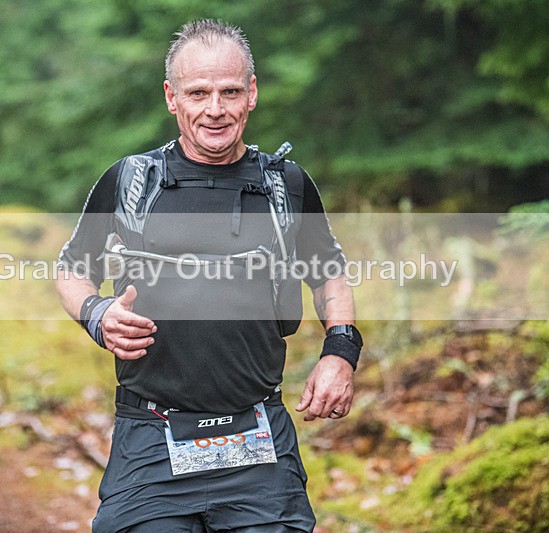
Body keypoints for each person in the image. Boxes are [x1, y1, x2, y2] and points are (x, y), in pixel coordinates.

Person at [56, 19, 362, 533]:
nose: (215, 109)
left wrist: (341, 351)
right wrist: (97, 312)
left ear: (253, 94)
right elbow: (71, 269)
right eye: (198, 92)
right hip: (152, 436)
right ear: (172, 97)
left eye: (229, 91)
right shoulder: (131, 181)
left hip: (258, 437)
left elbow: (328, 271)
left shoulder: (285, 186)